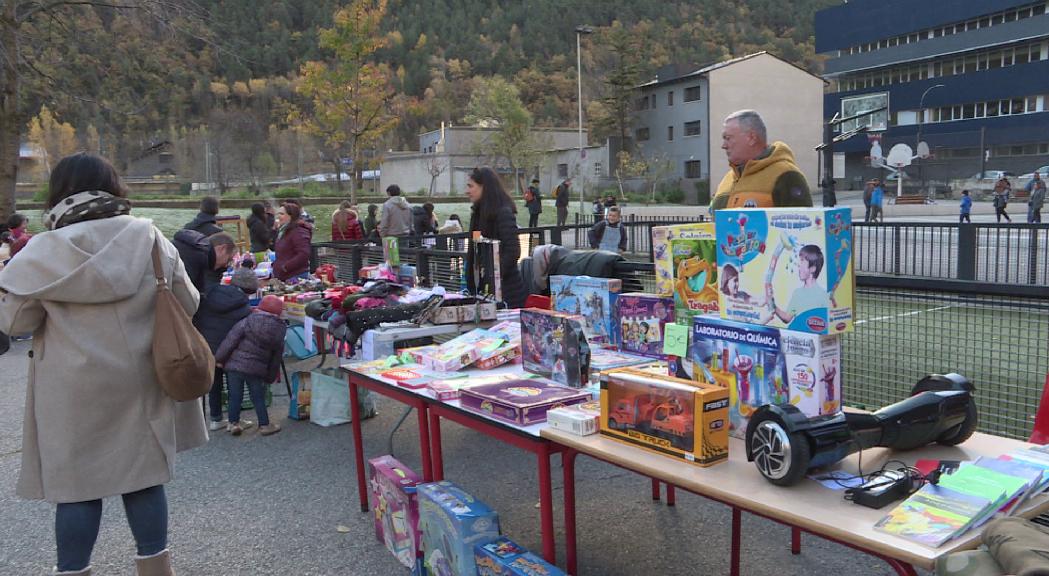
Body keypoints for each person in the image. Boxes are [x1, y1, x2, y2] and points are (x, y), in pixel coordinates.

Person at [0, 152, 205, 576]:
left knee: (77, 491)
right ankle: (155, 569)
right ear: (114, 186)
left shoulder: (41, 250)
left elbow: (15, 320)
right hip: (144, 379)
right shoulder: (150, 238)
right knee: (144, 479)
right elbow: (188, 302)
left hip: (72, 391)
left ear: (59, 191)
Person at [214, 294, 287, 437]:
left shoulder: (247, 321)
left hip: (235, 365)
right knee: (258, 397)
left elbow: (231, 341)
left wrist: (219, 359)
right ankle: (264, 425)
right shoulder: (279, 332)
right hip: (256, 370)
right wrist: (269, 377)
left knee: (235, 395)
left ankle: (233, 423)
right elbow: (275, 358)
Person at [711, 109, 812, 211]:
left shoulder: (786, 176)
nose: (723, 146)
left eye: (728, 138)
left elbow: (804, 223)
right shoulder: (727, 179)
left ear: (751, 138)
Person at [196, 264, 255, 432]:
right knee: (234, 385)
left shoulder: (211, 294)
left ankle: (215, 418)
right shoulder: (242, 304)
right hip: (231, 349)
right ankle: (234, 420)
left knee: (214, 384)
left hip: (209, 346)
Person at [464, 167, 526, 309]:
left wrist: (492, 278)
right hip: (485, 293)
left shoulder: (503, 213)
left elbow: (513, 250)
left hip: (508, 294)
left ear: (484, 187)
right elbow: (475, 249)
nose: (467, 191)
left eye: (471, 186)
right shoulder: (478, 214)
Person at [766, 244, 828, 326]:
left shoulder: (823, 295)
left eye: (802, 261)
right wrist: (772, 304)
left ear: (813, 268)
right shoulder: (797, 293)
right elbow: (787, 317)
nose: (799, 265)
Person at [172, 229, 237, 293]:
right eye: (229, 259)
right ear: (222, 249)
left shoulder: (195, 250)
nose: (226, 265)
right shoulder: (197, 258)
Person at [273, 202, 313, 281]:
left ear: (291, 216)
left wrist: (285, 267)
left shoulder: (299, 231)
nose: (278, 216)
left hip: (295, 276)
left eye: (282, 214)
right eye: (278, 214)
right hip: (285, 276)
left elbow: (304, 254)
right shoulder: (284, 230)